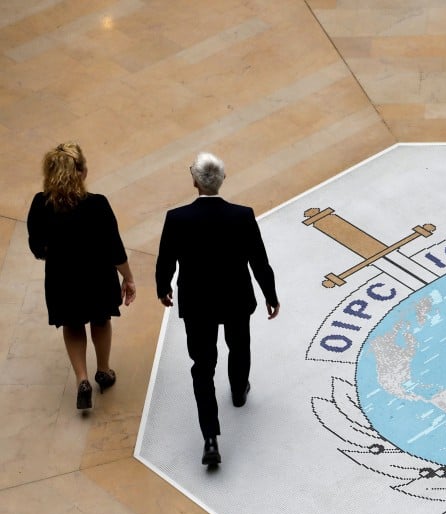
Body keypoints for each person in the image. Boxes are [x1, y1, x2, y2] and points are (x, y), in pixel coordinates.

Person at [156, 152, 280, 468]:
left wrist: (164, 288)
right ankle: (239, 391)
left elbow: (166, 261)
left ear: (194, 181)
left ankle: (210, 437)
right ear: (222, 179)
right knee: (239, 346)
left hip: (198, 303)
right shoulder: (242, 216)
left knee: (202, 365)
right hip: (236, 297)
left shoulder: (177, 219)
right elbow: (259, 261)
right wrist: (270, 294)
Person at [27, 142, 136, 411]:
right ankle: (103, 371)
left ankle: (82, 380)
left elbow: (36, 247)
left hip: (61, 278)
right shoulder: (97, 205)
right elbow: (115, 248)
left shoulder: (40, 204)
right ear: (82, 172)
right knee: (100, 320)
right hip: (97, 276)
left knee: (72, 324)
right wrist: (128, 277)